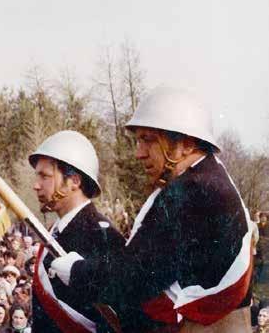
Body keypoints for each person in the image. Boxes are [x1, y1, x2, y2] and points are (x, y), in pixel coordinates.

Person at [51, 89, 254, 332]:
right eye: (138, 140)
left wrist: (77, 272)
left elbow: (137, 276)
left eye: (148, 139)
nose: (139, 153)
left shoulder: (193, 190)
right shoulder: (208, 180)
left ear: (186, 144)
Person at [29, 130, 125, 332]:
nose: (36, 185)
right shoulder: (53, 231)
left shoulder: (104, 236)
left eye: (45, 176)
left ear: (74, 181)